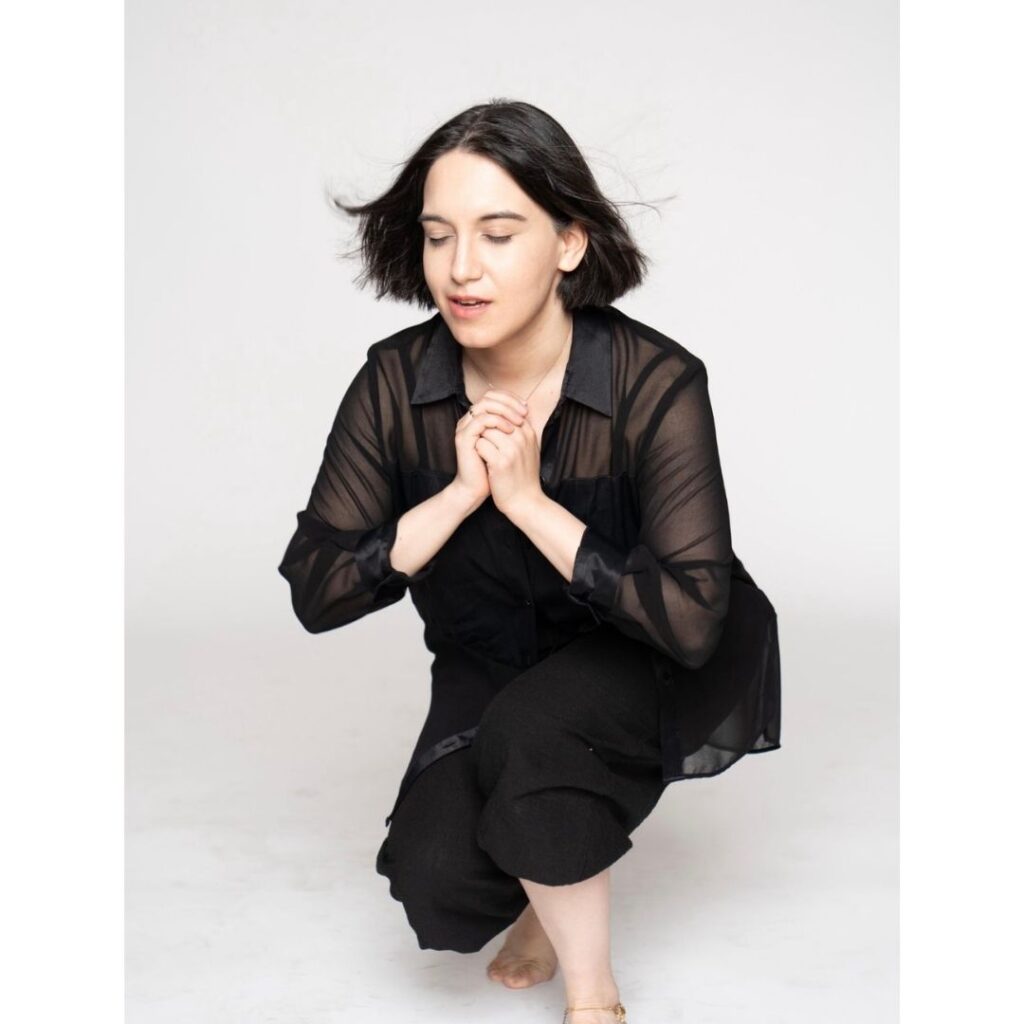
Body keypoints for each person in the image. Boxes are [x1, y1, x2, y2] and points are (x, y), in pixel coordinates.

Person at [277, 99, 781, 1024]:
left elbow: (691, 617)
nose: (460, 268)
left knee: (537, 734)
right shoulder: (395, 380)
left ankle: (593, 995)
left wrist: (528, 502)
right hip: (493, 661)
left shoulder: (654, 381)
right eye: (439, 236)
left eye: (498, 235)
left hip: (649, 650)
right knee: (435, 886)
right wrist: (457, 495)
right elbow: (317, 590)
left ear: (569, 244)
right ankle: (540, 886)